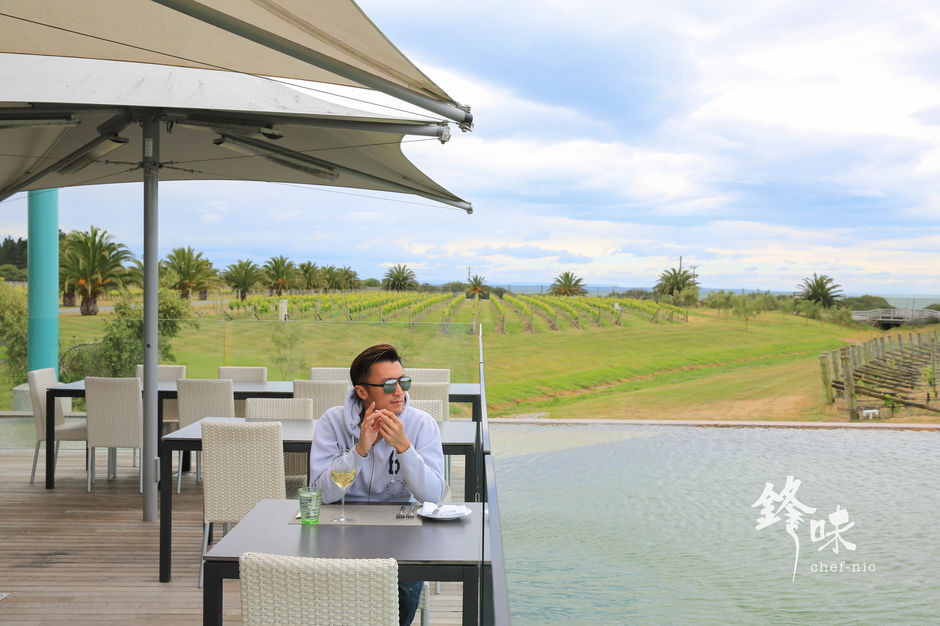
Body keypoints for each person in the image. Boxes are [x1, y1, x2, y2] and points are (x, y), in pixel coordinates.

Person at [310, 343, 445, 626]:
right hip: (340, 528)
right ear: (362, 391)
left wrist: (405, 448)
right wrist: (359, 450)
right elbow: (319, 494)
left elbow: (433, 496)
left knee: (406, 586)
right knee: (322, 586)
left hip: (400, 528)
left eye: (403, 382)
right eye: (387, 385)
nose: (399, 392)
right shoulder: (332, 422)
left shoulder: (422, 425)